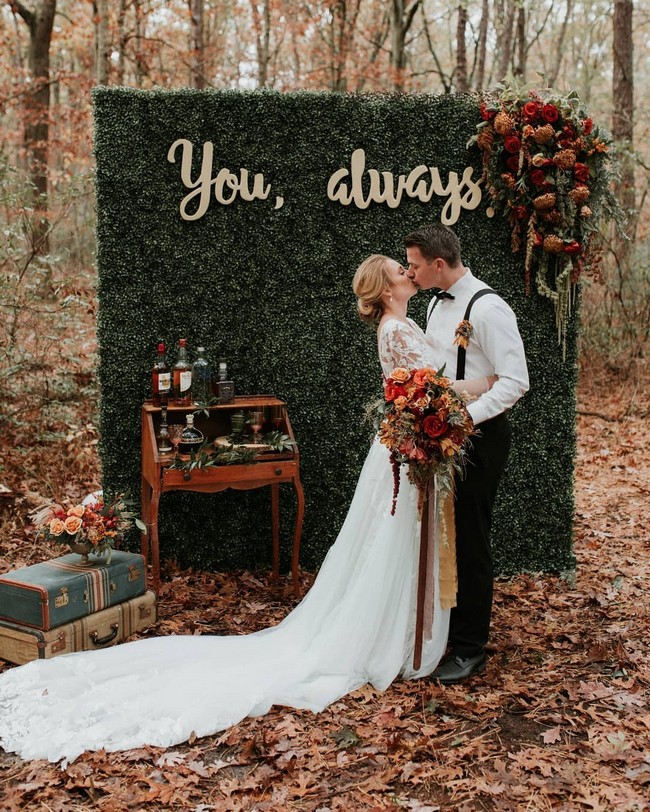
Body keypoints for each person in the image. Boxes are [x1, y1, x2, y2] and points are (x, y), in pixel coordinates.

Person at [0, 255, 494, 764]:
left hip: (406, 446)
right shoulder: (394, 329)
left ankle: (405, 623)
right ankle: (390, 633)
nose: (408, 273)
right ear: (386, 286)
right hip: (402, 449)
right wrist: (484, 385)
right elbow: (428, 390)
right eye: (399, 269)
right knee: (393, 539)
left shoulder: (408, 320)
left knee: (399, 539)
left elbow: (431, 382)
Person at [405, 223, 529, 685]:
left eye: (415, 265)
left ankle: (471, 648)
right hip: (441, 437)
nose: (409, 273)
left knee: (471, 538)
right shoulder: (436, 302)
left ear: (438, 264)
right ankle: (446, 634)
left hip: (479, 439)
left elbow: (515, 382)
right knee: (444, 538)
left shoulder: (490, 308)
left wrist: (465, 420)